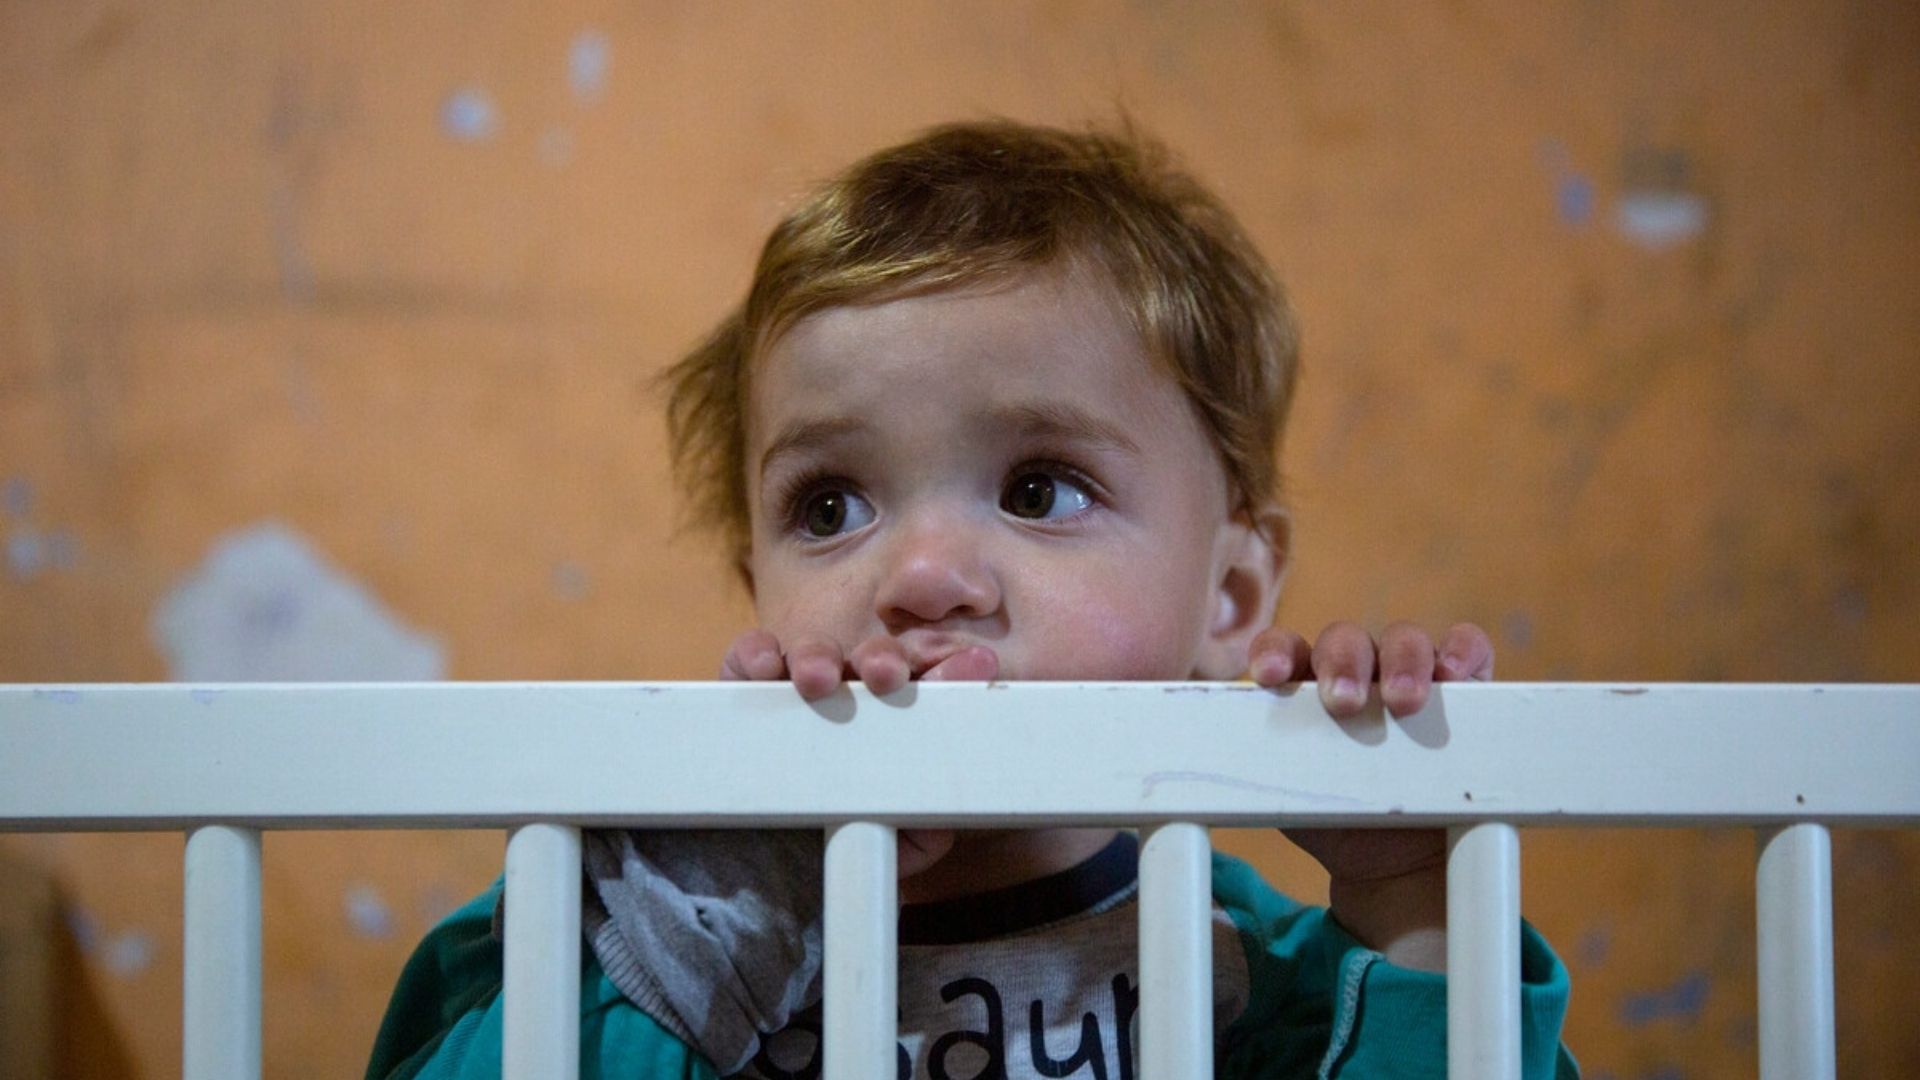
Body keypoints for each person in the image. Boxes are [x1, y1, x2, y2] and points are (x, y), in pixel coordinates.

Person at [368, 118, 1577, 1078]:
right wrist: (726, 926)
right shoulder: (618, 931)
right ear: (757, 590)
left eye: (1042, 489)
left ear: (1232, 595)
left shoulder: (1248, 977)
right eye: (830, 507)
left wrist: (1412, 894)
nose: (923, 577)